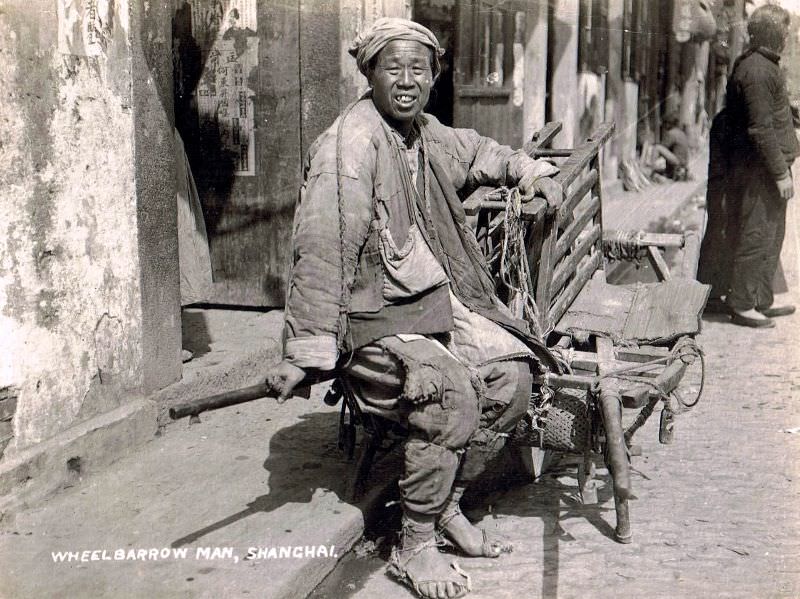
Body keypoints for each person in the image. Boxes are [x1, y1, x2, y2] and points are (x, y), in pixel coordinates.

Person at [262, 18, 562, 599]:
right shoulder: (351, 146)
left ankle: (445, 504)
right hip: (368, 322)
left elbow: (476, 150)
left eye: (418, 70)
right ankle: (415, 543)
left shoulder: (423, 134)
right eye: (392, 68)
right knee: (449, 396)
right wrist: (307, 354)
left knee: (512, 380)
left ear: (433, 78)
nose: (406, 81)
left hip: (427, 308)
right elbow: (320, 253)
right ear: (369, 73)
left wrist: (528, 169)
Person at [723, 4, 799, 328]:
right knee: (756, 234)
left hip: (768, 168)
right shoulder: (756, 70)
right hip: (760, 170)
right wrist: (781, 172)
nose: (789, 36)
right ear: (774, 33)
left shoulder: (764, 67)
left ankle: (760, 299)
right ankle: (742, 304)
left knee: (772, 236)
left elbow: (773, 113)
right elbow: (760, 128)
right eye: (786, 31)